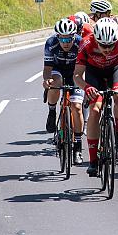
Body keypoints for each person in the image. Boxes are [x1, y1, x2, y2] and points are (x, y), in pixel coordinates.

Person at [73, 18, 118, 176]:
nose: (108, 49)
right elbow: (77, 75)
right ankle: (94, 160)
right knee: (95, 110)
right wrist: (87, 87)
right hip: (94, 72)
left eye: (111, 45)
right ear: (96, 39)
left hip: (115, 69)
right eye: (103, 45)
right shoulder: (86, 43)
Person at [43, 18, 85, 164]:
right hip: (57, 70)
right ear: (58, 37)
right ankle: (52, 111)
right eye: (63, 38)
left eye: (69, 38)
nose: (66, 42)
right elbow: (47, 69)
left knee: (77, 107)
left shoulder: (81, 43)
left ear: (75, 36)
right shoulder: (50, 43)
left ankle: (78, 146)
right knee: (56, 83)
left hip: (76, 72)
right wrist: (47, 81)